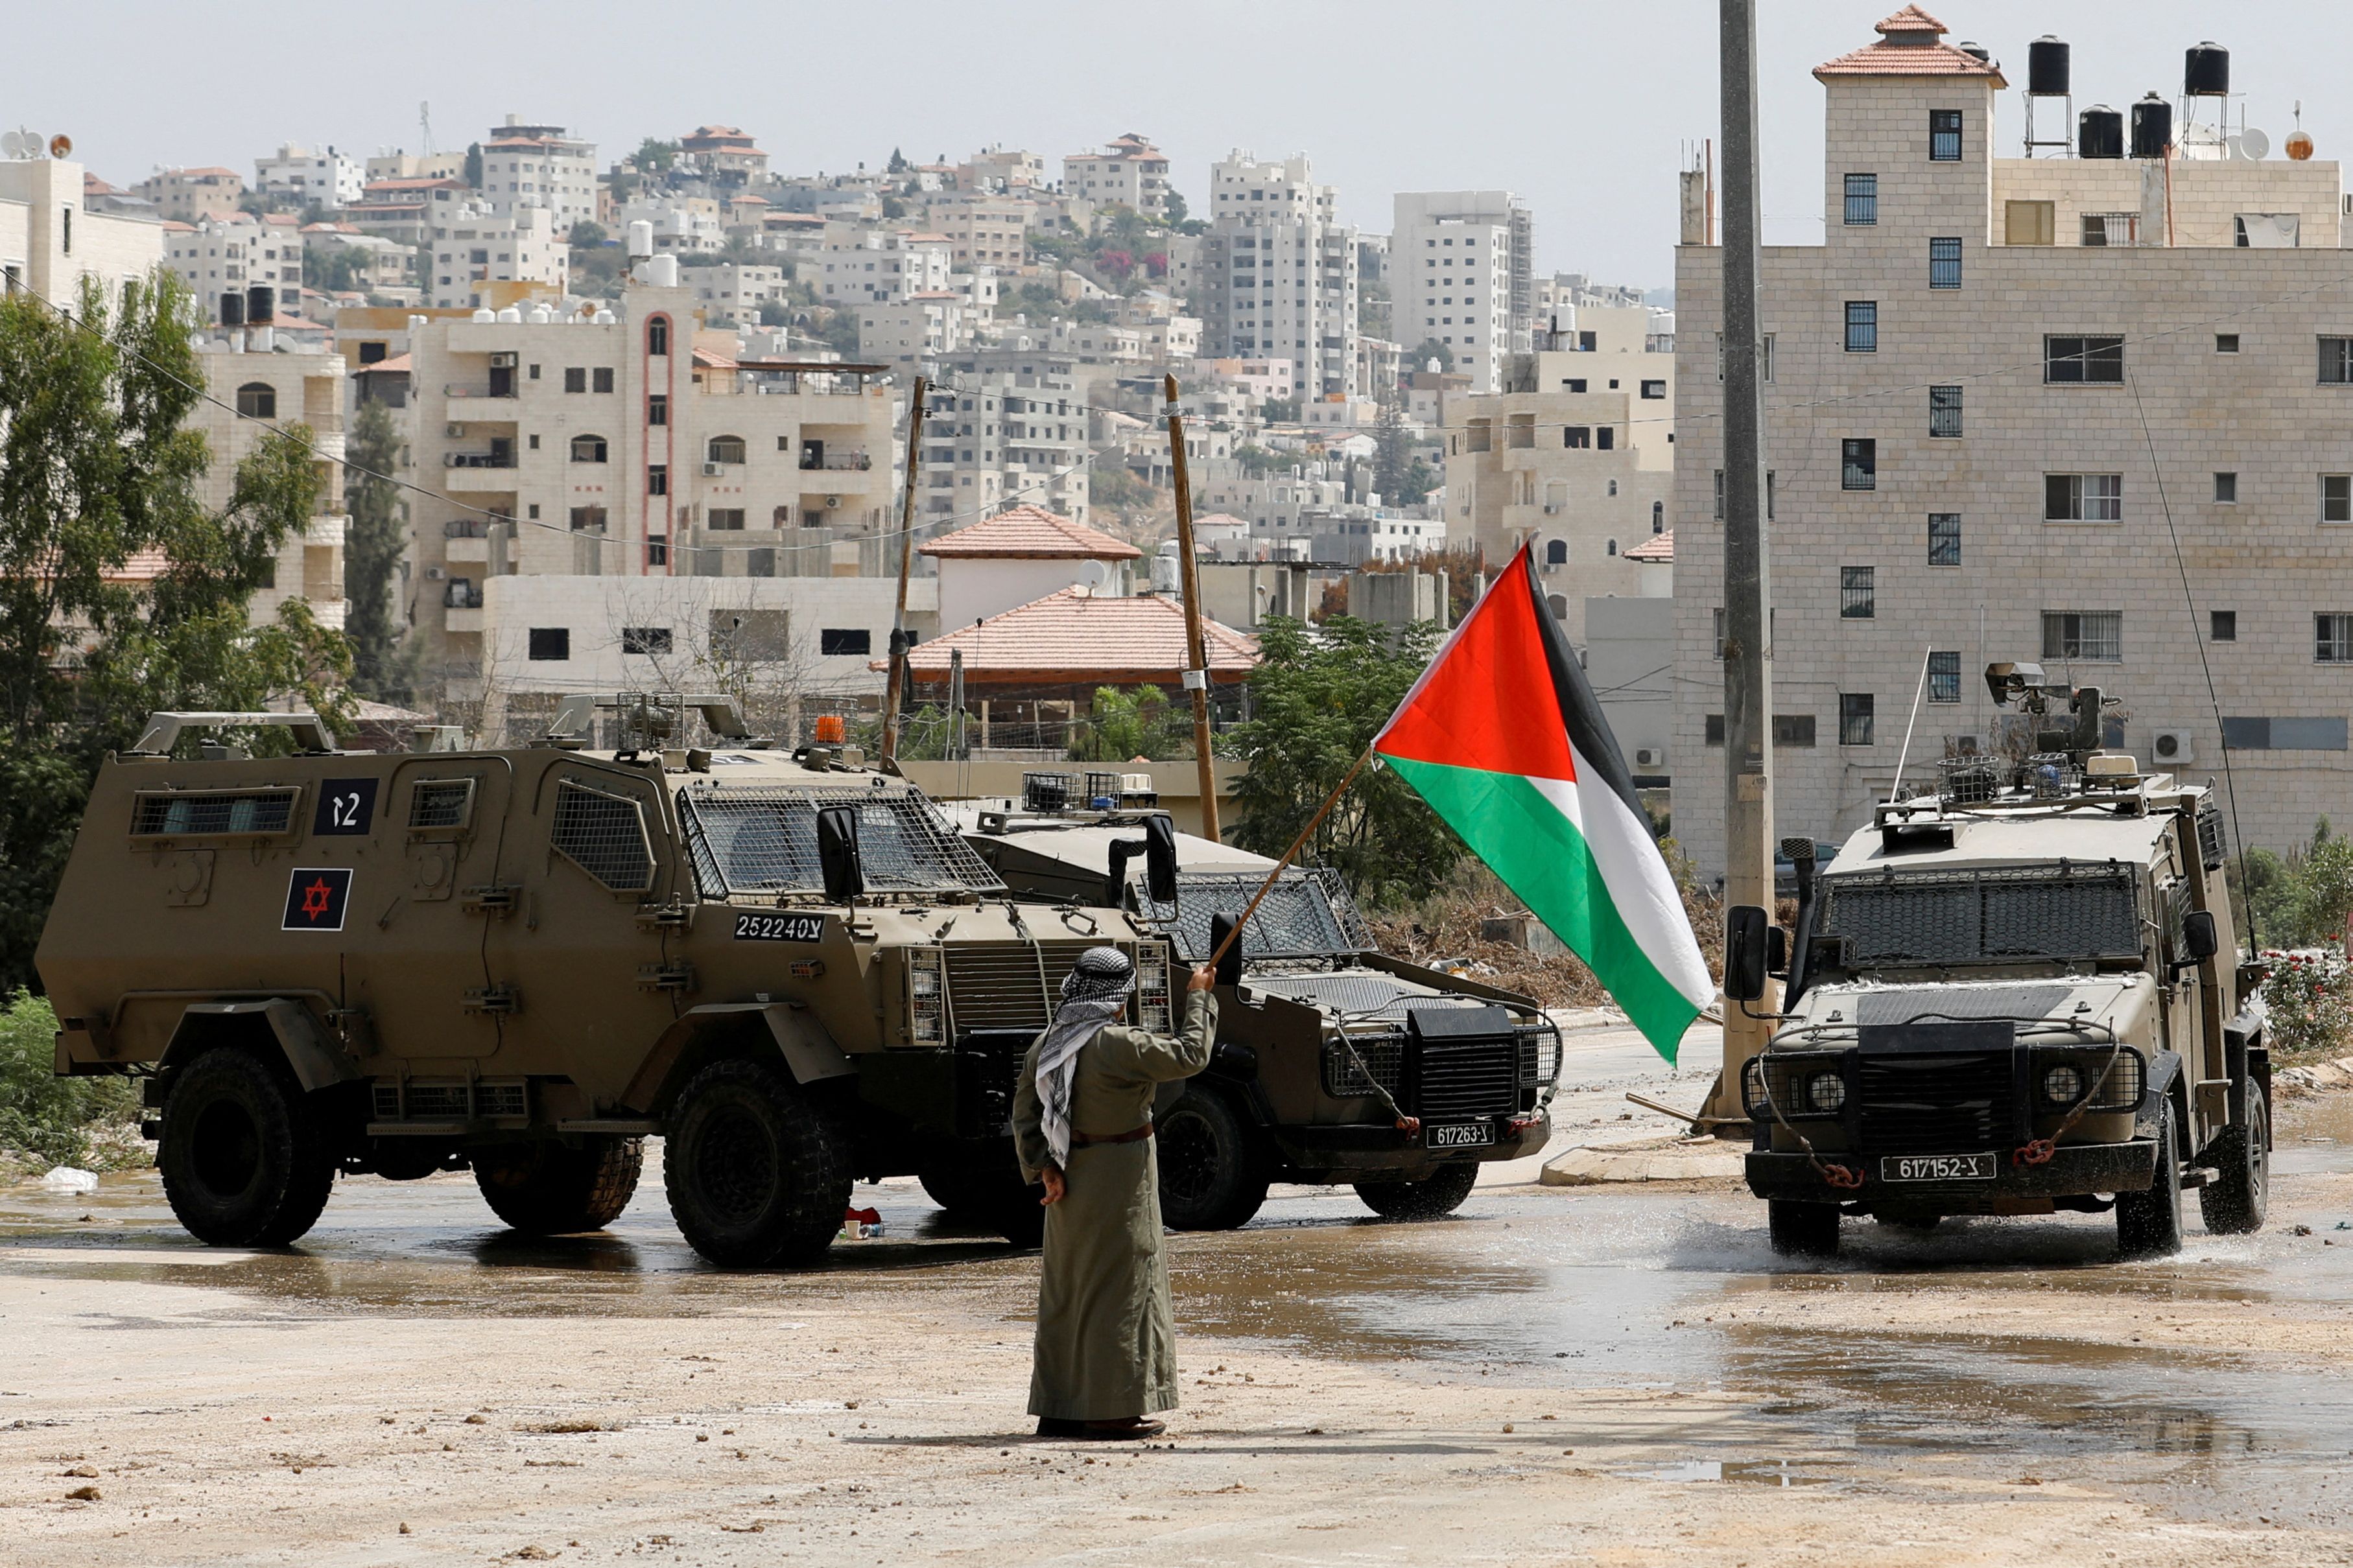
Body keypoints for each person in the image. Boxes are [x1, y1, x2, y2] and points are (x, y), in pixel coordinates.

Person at [1012, 946, 1218, 1440]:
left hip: (1068, 1178)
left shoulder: (1048, 1042)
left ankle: (1061, 1408)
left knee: (1070, 1290)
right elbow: (1191, 1055)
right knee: (1122, 1288)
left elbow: (1025, 1110)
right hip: (1120, 1178)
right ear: (1117, 998)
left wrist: (1043, 1167)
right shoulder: (1117, 1044)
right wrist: (1199, 997)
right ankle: (1109, 1411)